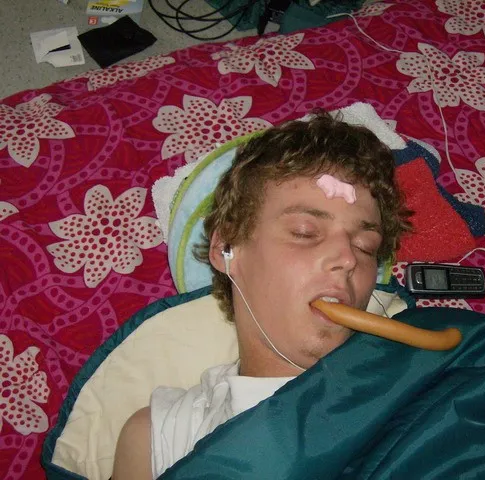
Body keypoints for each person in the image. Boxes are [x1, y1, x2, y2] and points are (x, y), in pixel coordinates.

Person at [112, 112, 413, 479]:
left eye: (366, 246)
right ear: (226, 248)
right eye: (304, 232)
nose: (348, 258)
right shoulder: (162, 436)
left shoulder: (415, 396)